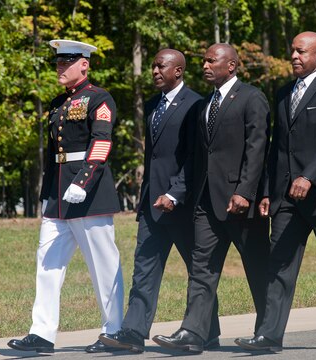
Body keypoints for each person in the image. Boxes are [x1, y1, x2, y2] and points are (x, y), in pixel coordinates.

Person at [235, 31, 316, 352]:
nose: (294, 56)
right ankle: (269, 336)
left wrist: (308, 176)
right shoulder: (282, 94)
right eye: (292, 51)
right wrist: (267, 189)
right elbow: (276, 148)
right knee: (278, 263)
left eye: (301, 52)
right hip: (287, 199)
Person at [98, 49, 221, 353]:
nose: (154, 70)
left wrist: (175, 193)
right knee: (144, 271)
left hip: (184, 205)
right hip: (151, 206)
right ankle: (133, 333)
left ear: (178, 71)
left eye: (160, 66)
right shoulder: (153, 105)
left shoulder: (195, 104)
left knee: (198, 272)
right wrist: (148, 196)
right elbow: (154, 157)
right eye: (152, 65)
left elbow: (195, 158)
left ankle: (207, 332)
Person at [152, 43, 271, 354]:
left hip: (240, 202)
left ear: (231, 66)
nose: (204, 66)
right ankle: (193, 332)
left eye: (211, 60)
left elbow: (257, 149)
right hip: (206, 203)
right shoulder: (204, 105)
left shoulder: (251, 97)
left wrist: (245, 191)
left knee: (257, 267)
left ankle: (267, 333)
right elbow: (199, 156)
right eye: (203, 61)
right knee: (201, 268)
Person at [7, 39, 124, 354]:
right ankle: (42, 334)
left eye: (66, 62)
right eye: (58, 62)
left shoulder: (100, 98)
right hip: (58, 195)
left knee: (103, 265)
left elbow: (101, 142)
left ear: (84, 64)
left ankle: (114, 331)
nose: (59, 67)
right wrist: (47, 195)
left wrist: (83, 181)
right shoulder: (59, 102)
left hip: (88, 193)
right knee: (46, 265)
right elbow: (52, 154)